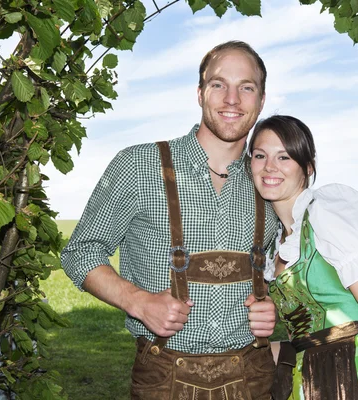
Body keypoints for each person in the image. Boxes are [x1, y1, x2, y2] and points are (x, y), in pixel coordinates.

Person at [61, 41, 279, 400]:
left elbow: (274, 269)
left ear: (261, 99)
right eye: (218, 84)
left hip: (252, 377)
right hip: (163, 379)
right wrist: (139, 302)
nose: (232, 99)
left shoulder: (267, 181)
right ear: (199, 93)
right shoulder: (138, 166)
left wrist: (268, 302)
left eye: (246, 87)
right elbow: (80, 252)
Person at [248, 115, 358, 400]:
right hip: (311, 381)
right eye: (260, 155)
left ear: (307, 167)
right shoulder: (276, 243)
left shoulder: (327, 213)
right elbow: (307, 338)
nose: (270, 166)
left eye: (284, 157)